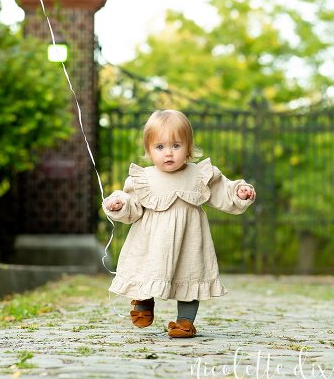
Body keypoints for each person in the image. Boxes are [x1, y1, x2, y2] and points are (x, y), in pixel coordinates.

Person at [102, 109, 256, 338]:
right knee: (147, 270)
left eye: (176, 146)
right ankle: (143, 304)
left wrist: (239, 192)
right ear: (149, 150)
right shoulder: (144, 178)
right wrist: (119, 204)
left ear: (189, 148)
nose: (168, 153)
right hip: (151, 243)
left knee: (190, 276)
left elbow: (222, 190)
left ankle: (185, 322)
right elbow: (132, 207)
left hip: (189, 241)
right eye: (160, 147)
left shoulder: (199, 175)